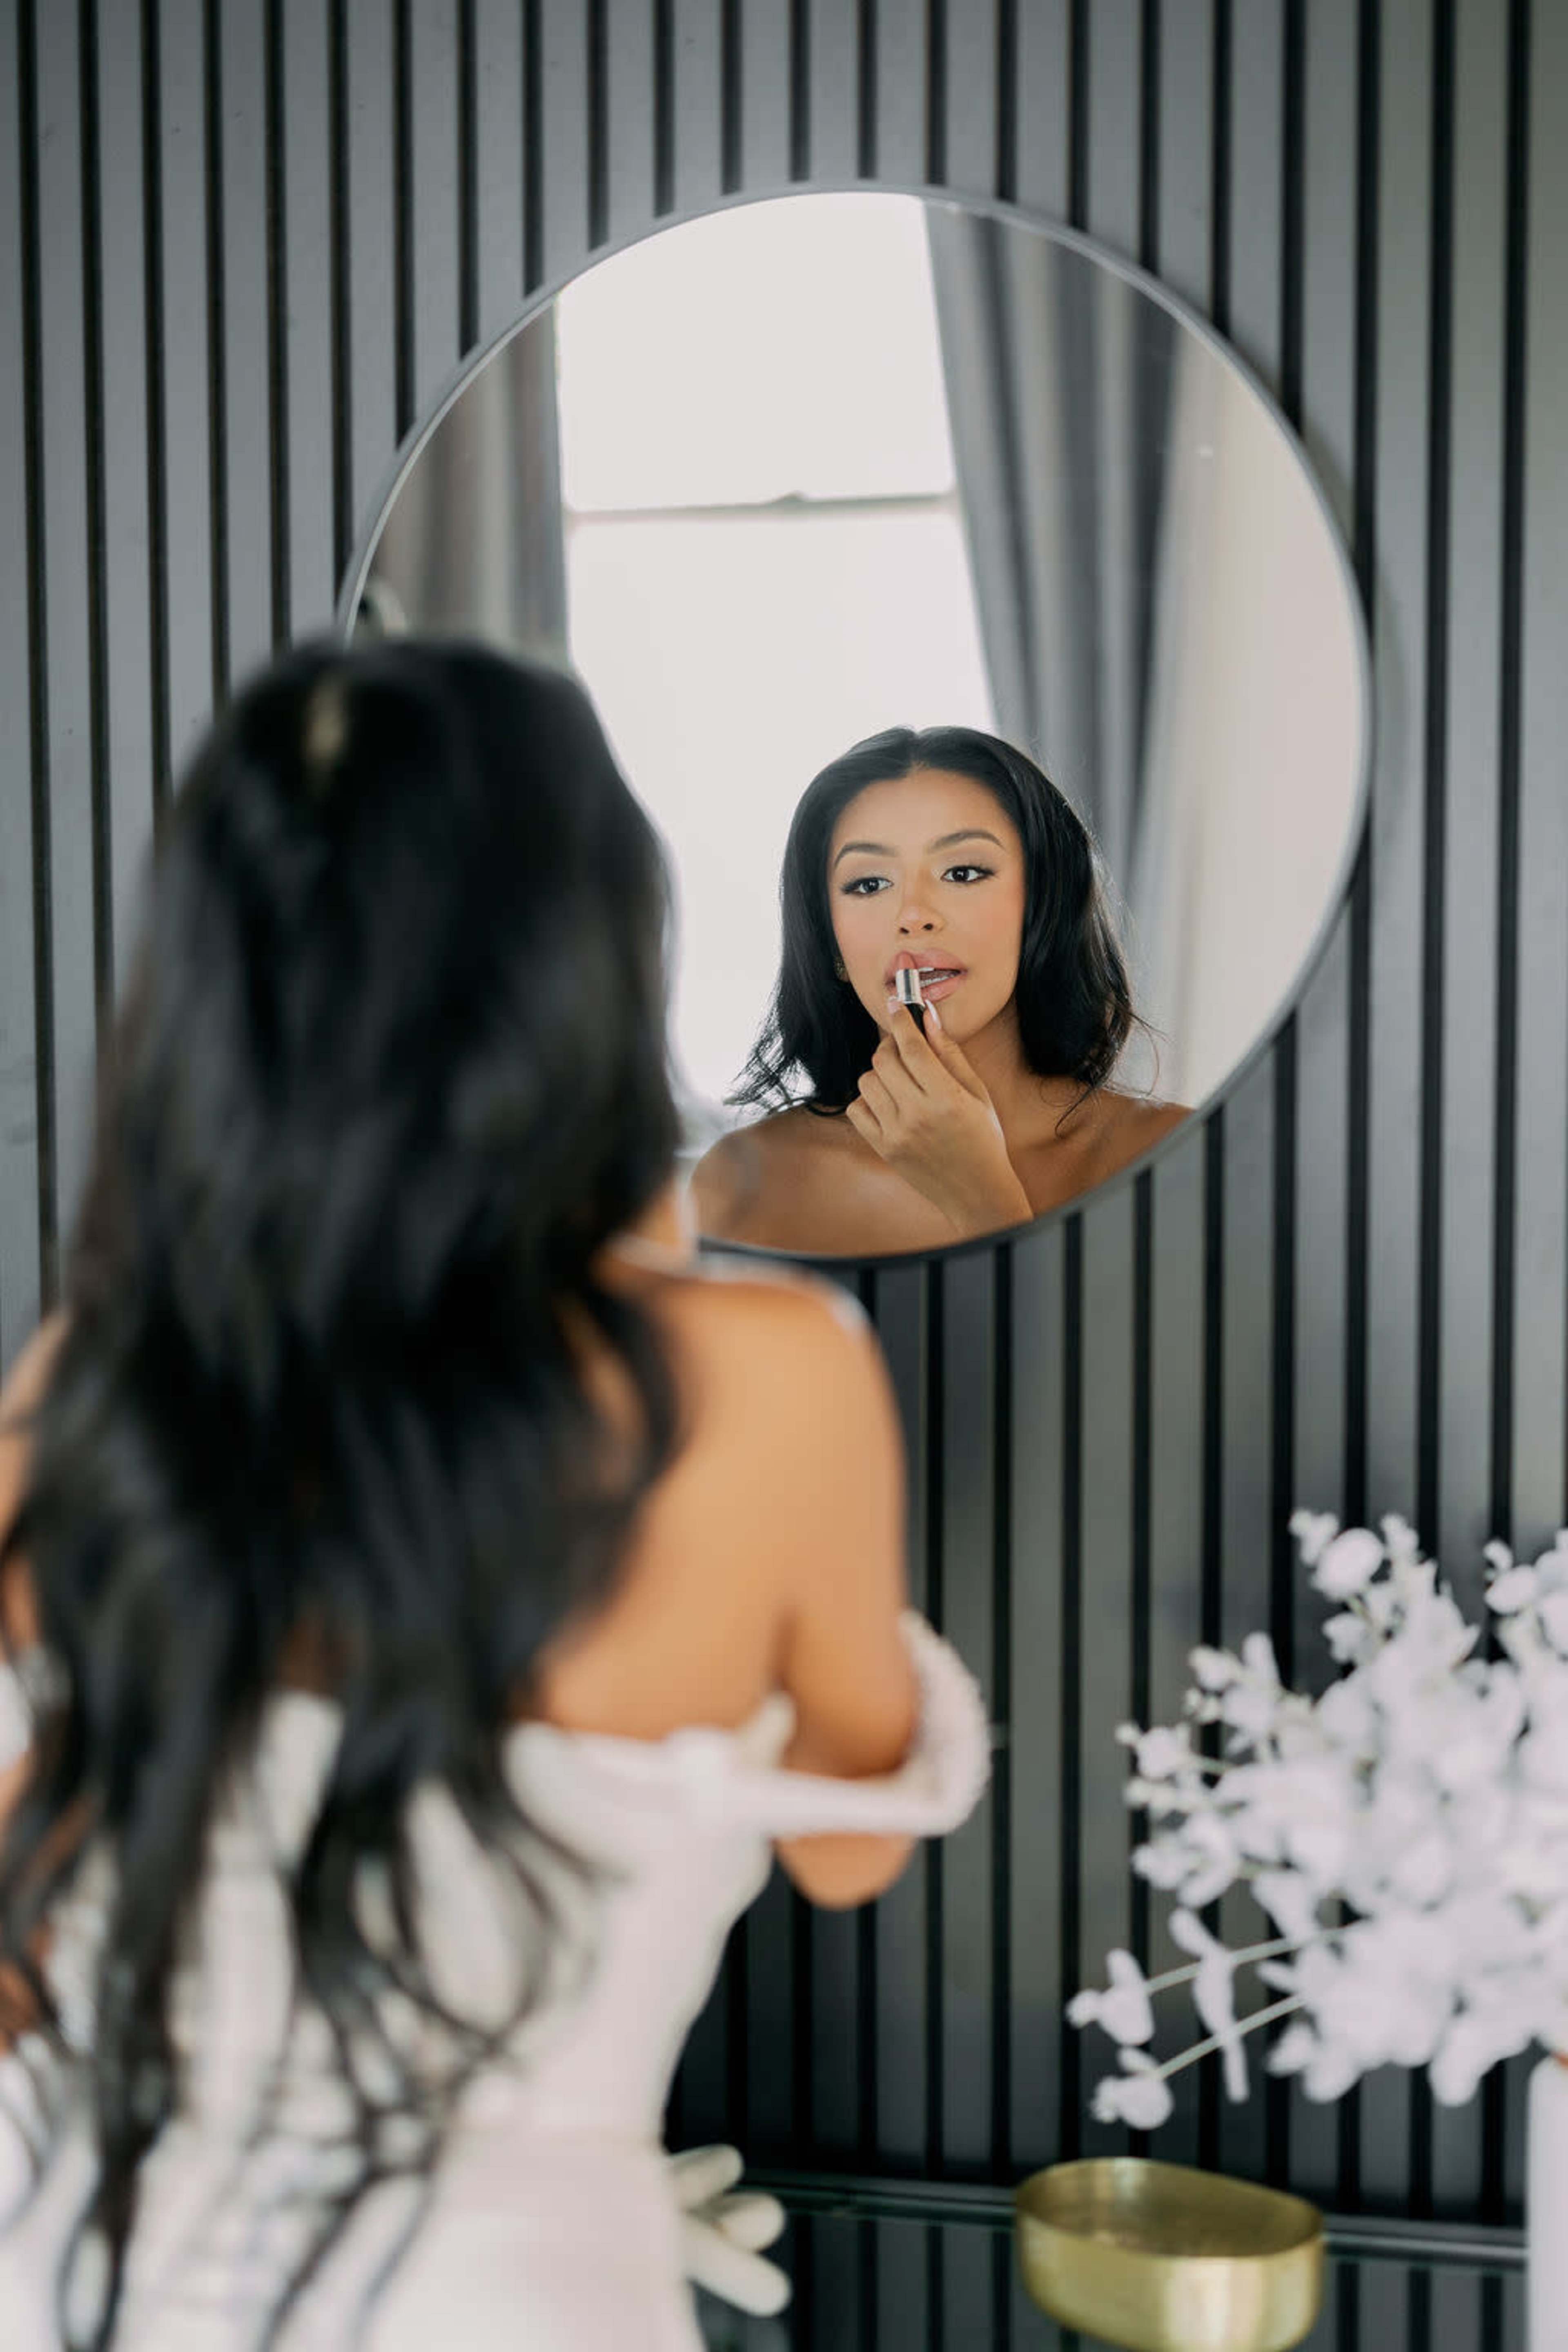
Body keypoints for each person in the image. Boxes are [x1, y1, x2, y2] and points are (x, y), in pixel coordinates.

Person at [0, 643, 988, 2349]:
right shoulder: (768, 1384)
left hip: (84, 2274)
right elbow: (846, 1848)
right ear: (586, 966)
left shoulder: (87, 1388)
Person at [693, 726, 1190, 1256]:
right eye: (869, 884)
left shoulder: (1179, 1156)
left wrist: (984, 1200)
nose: (913, 916)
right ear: (830, 940)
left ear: (1042, 907)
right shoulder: (740, 1186)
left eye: (963, 872)